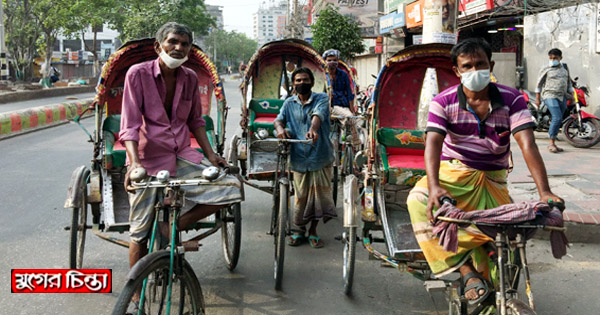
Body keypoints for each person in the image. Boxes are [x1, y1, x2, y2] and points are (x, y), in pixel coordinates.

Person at [407, 38, 563, 305]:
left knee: (509, 235)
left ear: (490, 65)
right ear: (457, 71)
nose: (474, 70)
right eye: (467, 66)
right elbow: (433, 143)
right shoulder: (442, 102)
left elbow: (527, 144)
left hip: (493, 179)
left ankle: (493, 279)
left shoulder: (512, 99)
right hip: (453, 174)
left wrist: (544, 191)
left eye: (480, 64)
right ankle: (466, 271)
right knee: (417, 201)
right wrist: (434, 186)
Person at [119, 22, 243, 312]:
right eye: (173, 42)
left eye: (185, 44)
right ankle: (135, 291)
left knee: (231, 187)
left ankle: (173, 226)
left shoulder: (189, 77)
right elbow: (130, 125)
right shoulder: (137, 74)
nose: (179, 48)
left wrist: (212, 156)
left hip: (181, 154)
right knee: (138, 230)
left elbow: (196, 122)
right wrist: (134, 163)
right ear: (158, 46)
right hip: (147, 158)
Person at [273, 67, 336, 248]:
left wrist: (313, 130)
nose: (302, 83)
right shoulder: (288, 103)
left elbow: (319, 115)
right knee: (300, 197)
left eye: (305, 80)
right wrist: (279, 129)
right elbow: (279, 120)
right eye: (298, 80)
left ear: (312, 82)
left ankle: (313, 231)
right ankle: (299, 230)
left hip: (320, 155)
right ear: (293, 84)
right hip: (298, 157)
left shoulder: (322, 98)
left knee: (318, 198)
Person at [535, 48, 573, 153]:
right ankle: (551, 143)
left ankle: (554, 142)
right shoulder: (546, 68)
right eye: (551, 58)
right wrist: (537, 98)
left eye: (555, 58)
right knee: (557, 118)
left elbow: (568, 82)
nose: (552, 60)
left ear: (560, 58)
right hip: (549, 95)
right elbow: (539, 84)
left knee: (558, 119)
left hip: (562, 96)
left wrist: (571, 93)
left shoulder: (564, 68)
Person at [323, 49, 361, 150]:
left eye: (334, 60)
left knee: (350, 117)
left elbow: (349, 93)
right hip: (326, 106)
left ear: (338, 61)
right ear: (325, 61)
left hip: (341, 106)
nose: (332, 62)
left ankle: (355, 145)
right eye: (329, 60)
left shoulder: (343, 74)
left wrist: (352, 109)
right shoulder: (323, 76)